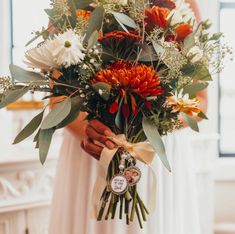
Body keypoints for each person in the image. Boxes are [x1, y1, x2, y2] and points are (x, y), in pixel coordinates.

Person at [48, 1, 208, 233]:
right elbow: (58, 99)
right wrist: (88, 130)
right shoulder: (68, 4)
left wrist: (150, 126)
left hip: (155, 152)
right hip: (93, 150)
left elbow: (200, 101)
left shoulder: (183, 4)